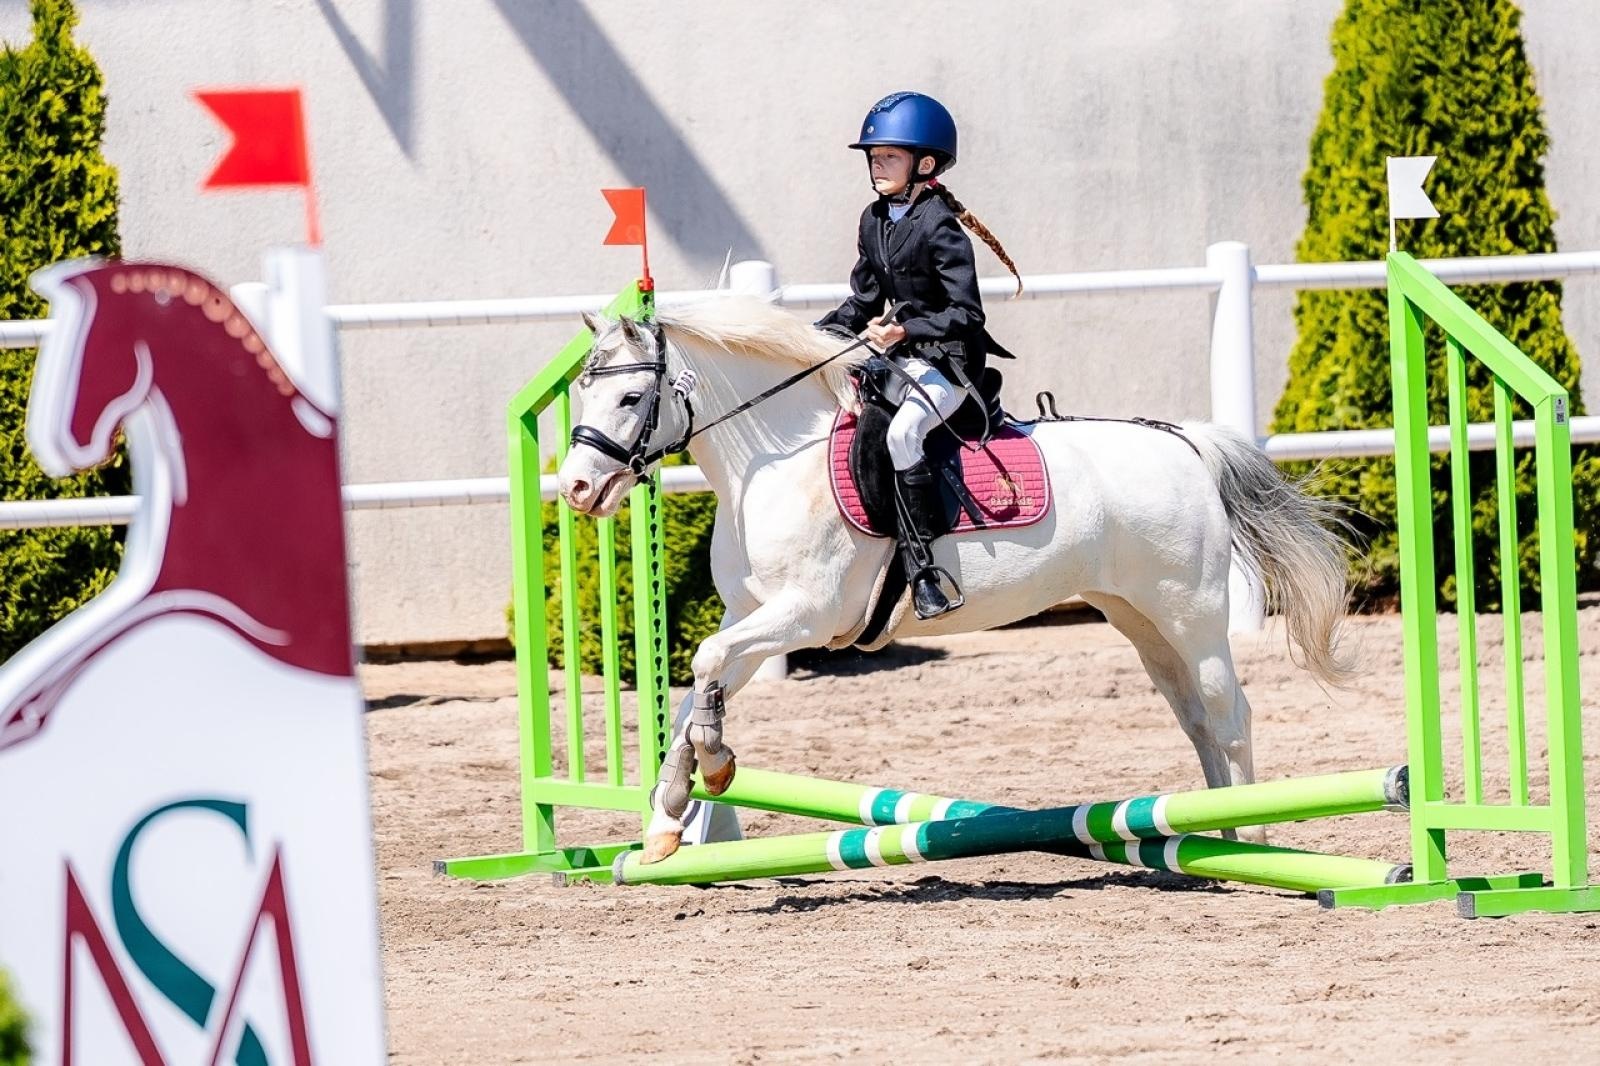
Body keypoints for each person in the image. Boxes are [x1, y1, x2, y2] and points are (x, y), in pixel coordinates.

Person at [817, 91, 1022, 620]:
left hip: (949, 361)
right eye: (873, 156)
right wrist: (813, 340)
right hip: (900, 356)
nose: (876, 165)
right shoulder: (873, 218)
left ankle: (924, 565)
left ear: (923, 164)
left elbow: (966, 313)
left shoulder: (940, 226)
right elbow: (863, 299)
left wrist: (904, 328)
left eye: (888, 156)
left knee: (902, 433)